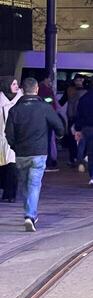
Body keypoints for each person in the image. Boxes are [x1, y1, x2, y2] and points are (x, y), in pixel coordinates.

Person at [5, 77, 65, 231]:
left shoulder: (15, 110)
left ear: (22, 90)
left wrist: (15, 147)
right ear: (37, 89)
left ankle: (29, 213)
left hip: (21, 153)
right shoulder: (44, 108)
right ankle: (30, 215)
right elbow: (59, 125)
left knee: (25, 184)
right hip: (39, 152)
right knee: (34, 184)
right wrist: (59, 135)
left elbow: (8, 133)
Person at [0, 77, 22, 202]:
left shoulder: (20, 100)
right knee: (3, 167)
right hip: (1, 139)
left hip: (14, 139)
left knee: (13, 166)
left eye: (16, 83)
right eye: (13, 84)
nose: (16, 86)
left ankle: (11, 194)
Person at [38, 72, 62, 171]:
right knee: (48, 140)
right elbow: (45, 99)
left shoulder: (43, 88)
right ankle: (48, 162)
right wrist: (50, 99)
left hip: (47, 116)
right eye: (49, 79)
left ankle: (49, 160)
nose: (50, 81)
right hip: (47, 116)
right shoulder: (44, 89)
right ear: (45, 79)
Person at [64, 75, 86, 165]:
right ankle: (79, 158)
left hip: (72, 117)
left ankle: (73, 158)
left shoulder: (69, 90)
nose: (78, 82)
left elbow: (61, 102)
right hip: (80, 118)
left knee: (73, 139)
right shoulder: (86, 91)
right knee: (81, 139)